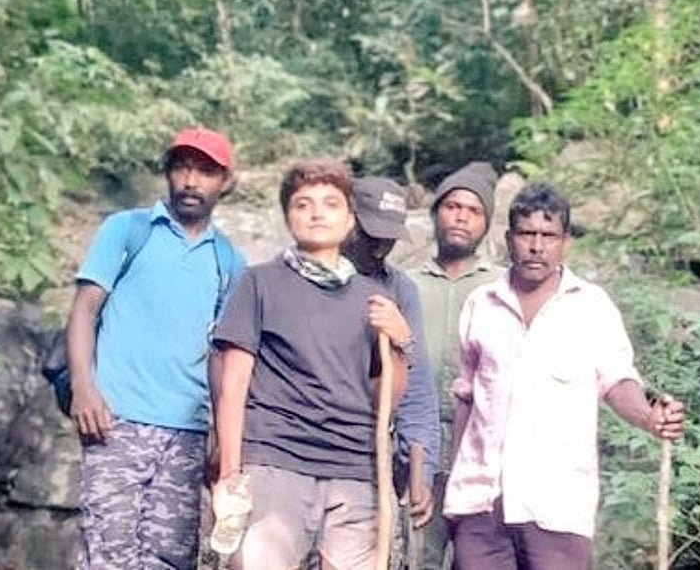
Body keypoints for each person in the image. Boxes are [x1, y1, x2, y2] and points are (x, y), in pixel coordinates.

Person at [443, 182, 685, 570]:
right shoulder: (481, 304)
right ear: (508, 238)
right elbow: (467, 400)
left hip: (557, 507)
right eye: (526, 234)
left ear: (565, 242)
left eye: (548, 236)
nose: (536, 246)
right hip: (481, 507)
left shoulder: (591, 308)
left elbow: (617, 380)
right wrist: (453, 490)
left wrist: (649, 417)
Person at [210, 160, 413, 570]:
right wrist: (230, 472)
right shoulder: (259, 283)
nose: (317, 213)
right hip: (276, 458)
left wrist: (399, 342)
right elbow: (233, 384)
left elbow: (385, 400)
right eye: (303, 204)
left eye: (330, 204)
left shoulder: (375, 298)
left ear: (350, 219)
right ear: (288, 217)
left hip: (354, 466)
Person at [67, 126, 247, 570]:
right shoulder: (128, 230)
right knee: (108, 554)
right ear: (167, 173)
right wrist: (83, 388)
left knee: (171, 558)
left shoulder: (228, 260)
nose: (191, 181)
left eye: (205, 171)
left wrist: (222, 438)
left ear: (225, 182)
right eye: (182, 168)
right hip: (115, 421)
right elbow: (84, 310)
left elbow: (221, 357)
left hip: (186, 433)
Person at [406, 162, 503, 569]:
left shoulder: (502, 288)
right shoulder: (406, 284)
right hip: (417, 451)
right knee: (418, 557)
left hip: (482, 452)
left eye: (474, 210)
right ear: (435, 214)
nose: (461, 216)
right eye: (452, 206)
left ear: (487, 223)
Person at [341, 177, 439, 525]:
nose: (381, 249)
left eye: (390, 238)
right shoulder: (300, 279)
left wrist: (421, 470)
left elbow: (417, 387)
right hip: (298, 450)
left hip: (367, 454)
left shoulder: (399, 289)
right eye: (370, 235)